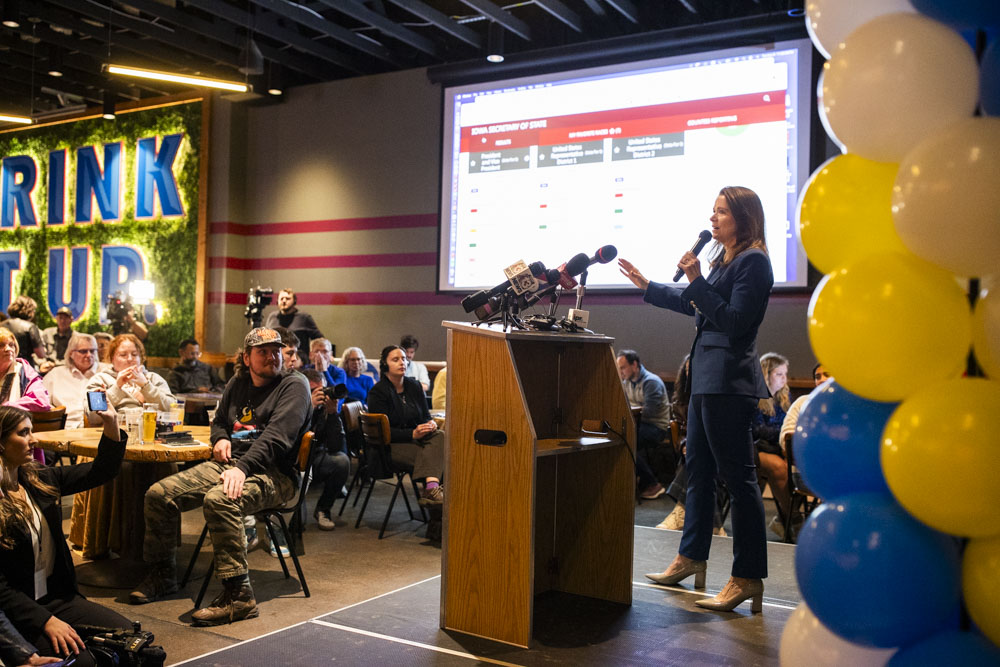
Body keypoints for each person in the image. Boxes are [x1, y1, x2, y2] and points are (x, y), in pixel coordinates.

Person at [619, 186, 773, 613]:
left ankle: (746, 577)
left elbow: (735, 322)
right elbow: (696, 307)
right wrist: (649, 286)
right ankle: (691, 558)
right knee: (699, 474)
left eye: (721, 212)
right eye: (713, 211)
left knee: (740, 483)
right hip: (706, 379)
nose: (713, 219)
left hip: (729, 383)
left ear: (744, 217)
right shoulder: (725, 260)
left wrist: (696, 282)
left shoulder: (754, 262)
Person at [128, 327, 311, 627]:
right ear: (246, 357)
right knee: (159, 495)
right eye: (263, 351)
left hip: (276, 474)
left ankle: (239, 596)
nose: (272, 356)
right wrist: (220, 438)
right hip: (234, 464)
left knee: (220, 500)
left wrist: (242, 467)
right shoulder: (237, 383)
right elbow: (221, 420)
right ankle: (164, 575)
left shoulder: (295, 385)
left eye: (276, 350)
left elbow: (278, 438)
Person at [0, 405, 131, 665]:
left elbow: (102, 470)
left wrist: (112, 424)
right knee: (82, 663)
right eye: (24, 433)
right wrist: (44, 621)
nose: (33, 440)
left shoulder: (38, 478)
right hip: (17, 610)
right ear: (2, 443)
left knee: (131, 642)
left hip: (56, 598)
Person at [366, 346, 445, 507]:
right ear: (385, 364)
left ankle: (432, 490)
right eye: (395, 359)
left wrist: (429, 424)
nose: (401, 362)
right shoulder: (378, 392)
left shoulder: (414, 386)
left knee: (440, 435)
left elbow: (425, 416)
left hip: (417, 441)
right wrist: (412, 434)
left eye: (403, 358)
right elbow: (382, 433)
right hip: (389, 446)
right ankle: (435, 518)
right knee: (440, 461)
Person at [616, 349, 674, 499]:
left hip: (656, 427)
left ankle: (652, 483)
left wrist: (633, 410)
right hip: (638, 425)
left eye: (623, 368)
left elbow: (650, 412)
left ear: (634, 365)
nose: (621, 372)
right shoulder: (627, 382)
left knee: (627, 442)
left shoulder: (651, 382)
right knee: (620, 439)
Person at [301, 370, 349, 531]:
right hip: (292, 461)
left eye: (322, 389)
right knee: (297, 523)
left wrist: (333, 414)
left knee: (341, 461)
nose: (320, 394)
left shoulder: (325, 409)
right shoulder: (294, 405)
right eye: (314, 390)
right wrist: (310, 408)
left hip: (316, 459)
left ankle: (323, 509)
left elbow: (336, 446)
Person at [84, 334, 174, 416]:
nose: (130, 359)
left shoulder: (153, 378)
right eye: (123, 355)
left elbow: (173, 410)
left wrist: (146, 386)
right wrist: (117, 388)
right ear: (112, 359)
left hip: (152, 429)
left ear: (141, 358)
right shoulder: (100, 379)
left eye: (134, 354)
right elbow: (92, 416)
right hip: (115, 431)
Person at [753, 352, 791, 537]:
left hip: (775, 447)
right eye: (779, 374)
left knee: (792, 469)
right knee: (780, 468)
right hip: (754, 448)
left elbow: (785, 425)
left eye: (785, 374)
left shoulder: (783, 398)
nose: (784, 379)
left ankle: (785, 520)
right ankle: (792, 521)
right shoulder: (754, 396)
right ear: (766, 374)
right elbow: (757, 430)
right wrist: (781, 433)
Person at [42, 334, 104, 429]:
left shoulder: (105, 373)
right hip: (63, 429)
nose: (89, 355)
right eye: (83, 351)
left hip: (98, 429)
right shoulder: (55, 375)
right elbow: (42, 403)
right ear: (71, 353)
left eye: (92, 351)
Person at [263, 289, 323, 358]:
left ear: (294, 301)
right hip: (276, 359)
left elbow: (320, 340)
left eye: (288, 298)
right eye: (281, 298)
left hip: (299, 361)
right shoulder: (272, 317)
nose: (284, 301)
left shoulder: (304, 317)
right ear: (277, 301)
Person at [1, 298, 45, 371]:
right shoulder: (30, 327)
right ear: (29, 311)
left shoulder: (1, 325)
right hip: (23, 369)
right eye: (33, 310)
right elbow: (41, 354)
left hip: (3, 367)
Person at [38, 307, 75, 374]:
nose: (62, 321)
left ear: (71, 319)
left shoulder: (75, 337)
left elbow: (75, 360)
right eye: (60, 318)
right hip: (46, 369)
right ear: (56, 318)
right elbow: (38, 352)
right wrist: (42, 363)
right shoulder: (47, 333)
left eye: (66, 318)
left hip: (66, 371)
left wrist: (55, 364)